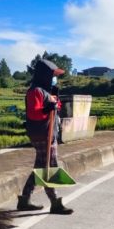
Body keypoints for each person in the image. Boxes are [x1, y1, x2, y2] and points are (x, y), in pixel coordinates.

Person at [18, 59, 73, 215]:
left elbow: (56, 107)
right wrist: (47, 107)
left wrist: (55, 99)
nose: (55, 78)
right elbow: (34, 113)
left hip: (49, 132)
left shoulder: (47, 91)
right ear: (44, 75)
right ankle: (55, 202)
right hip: (42, 134)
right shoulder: (35, 91)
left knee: (40, 167)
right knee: (49, 165)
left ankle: (24, 199)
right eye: (53, 75)